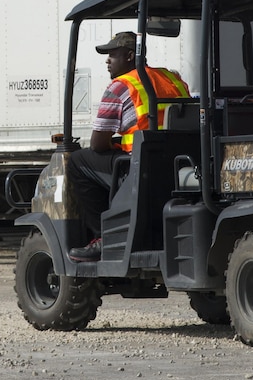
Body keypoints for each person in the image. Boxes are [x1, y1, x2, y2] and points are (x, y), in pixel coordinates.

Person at [66, 31, 190, 262]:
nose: (107, 60)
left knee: (78, 161)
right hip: (179, 165)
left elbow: (98, 144)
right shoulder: (173, 79)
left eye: (113, 55)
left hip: (139, 167)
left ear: (130, 56)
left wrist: (115, 143)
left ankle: (102, 238)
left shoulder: (121, 86)